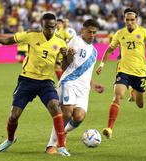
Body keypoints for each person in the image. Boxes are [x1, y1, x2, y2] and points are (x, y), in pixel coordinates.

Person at [0, 13, 71, 156]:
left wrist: (68, 55)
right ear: (42, 26)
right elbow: (9, 40)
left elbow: (65, 65)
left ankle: (61, 146)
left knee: (55, 107)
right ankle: (10, 139)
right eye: (47, 27)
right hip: (27, 80)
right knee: (14, 115)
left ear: (56, 26)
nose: (50, 30)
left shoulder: (61, 42)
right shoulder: (31, 35)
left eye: (52, 27)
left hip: (46, 82)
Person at [96, 8, 146, 139]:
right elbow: (109, 50)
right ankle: (109, 128)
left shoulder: (144, 32)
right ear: (124, 20)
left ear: (136, 19)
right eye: (127, 20)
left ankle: (133, 92)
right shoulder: (120, 33)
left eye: (132, 20)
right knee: (118, 96)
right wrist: (102, 64)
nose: (130, 22)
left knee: (140, 104)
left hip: (140, 72)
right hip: (123, 70)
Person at [45, 19, 105, 154]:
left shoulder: (94, 52)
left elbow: (86, 72)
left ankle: (62, 133)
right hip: (69, 82)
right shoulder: (75, 41)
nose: (92, 35)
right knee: (67, 113)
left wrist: (94, 84)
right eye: (89, 31)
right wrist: (68, 56)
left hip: (84, 89)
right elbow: (66, 65)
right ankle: (51, 145)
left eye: (94, 32)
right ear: (82, 30)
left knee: (79, 117)